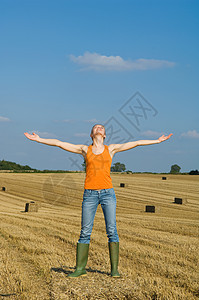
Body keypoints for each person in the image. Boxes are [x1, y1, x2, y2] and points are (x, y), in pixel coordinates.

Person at [24, 125, 173, 278]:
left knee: (112, 231)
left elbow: (136, 143)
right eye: (96, 127)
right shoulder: (84, 149)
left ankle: (114, 270)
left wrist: (157, 141)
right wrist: (39, 139)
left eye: (101, 127)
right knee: (85, 232)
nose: (99, 128)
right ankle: (80, 268)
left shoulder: (112, 149)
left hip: (108, 193)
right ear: (92, 134)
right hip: (89, 194)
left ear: (105, 135)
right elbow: (59, 143)